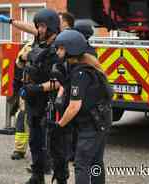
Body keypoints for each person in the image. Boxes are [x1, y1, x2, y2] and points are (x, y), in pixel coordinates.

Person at [0, 9, 72, 184]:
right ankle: (37, 175)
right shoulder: (39, 41)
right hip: (34, 102)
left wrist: (36, 89)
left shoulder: (59, 48)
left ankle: (61, 178)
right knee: (35, 141)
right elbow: (28, 29)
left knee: (56, 144)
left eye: (42, 26)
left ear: (52, 27)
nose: (39, 29)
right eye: (38, 26)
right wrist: (23, 61)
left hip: (52, 102)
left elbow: (60, 81)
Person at [52, 30, 113, 184]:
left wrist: (60, 126)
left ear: (71, 50)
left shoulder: (80, 74)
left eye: (60, 48)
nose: (57, 51)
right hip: (101, 122)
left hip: (91, 125)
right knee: (96, 162)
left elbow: (74, 106)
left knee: (81, 164)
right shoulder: (84, 67)